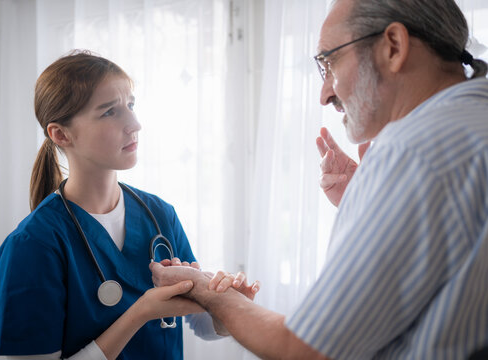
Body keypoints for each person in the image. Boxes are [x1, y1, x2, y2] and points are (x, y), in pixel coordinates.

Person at [150, 0, 488, 358]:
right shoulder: (471, 122)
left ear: (393, 46)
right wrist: (371, 203)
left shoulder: (410, 151)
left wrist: (205, 290)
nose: (325, 93)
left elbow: (305, 349)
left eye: (330, 62)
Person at [0, 51, 259, 359]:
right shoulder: (33, 244)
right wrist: (139, 313)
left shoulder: (159, 215)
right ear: (61, 134)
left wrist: (229, 307)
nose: (134, 124)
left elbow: (200, 322)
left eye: (130, 105)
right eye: (109, 112)